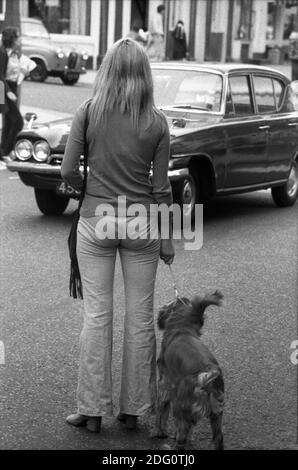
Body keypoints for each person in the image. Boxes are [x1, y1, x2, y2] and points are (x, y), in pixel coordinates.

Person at [61, 38, 175, 433]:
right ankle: (134, 409)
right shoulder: (157, 122)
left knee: (97, 316)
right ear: (145, 75)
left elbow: (67, 171)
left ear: (106, 69)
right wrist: (168, 239)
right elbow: (161, 189)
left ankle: (91, 411)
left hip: (96, 221)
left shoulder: (89, 112)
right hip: (142, 223)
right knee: (140, 318)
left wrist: (85, 189)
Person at [0, 27, 24, 160]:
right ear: (12, 39)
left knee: (9, 121)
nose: (19, 39)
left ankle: (3, 150)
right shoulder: (2, 52)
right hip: (4, 89)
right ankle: (6, 149)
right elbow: (0, 75)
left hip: (10, 88)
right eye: (18, 37)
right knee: (18, 122)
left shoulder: (11, 52)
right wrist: (8, 92)